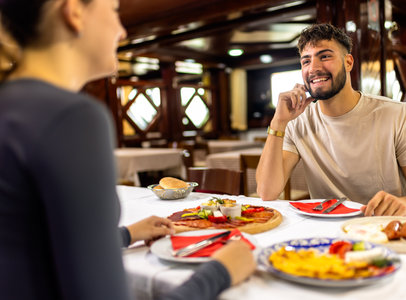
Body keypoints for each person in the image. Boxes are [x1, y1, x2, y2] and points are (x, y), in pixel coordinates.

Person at [0, 0, 255, 299]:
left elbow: (27, 243)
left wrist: (125, 234)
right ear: (74, 12)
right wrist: (219, 272)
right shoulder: (71, 117)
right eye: (114, 11)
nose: (122, 32)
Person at [256, 23, 406, 216]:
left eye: (325, 56)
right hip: (325, 234)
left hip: (383, 226)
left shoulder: (399, 115)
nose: (314, 68)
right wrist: (278, 122)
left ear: (348, 62)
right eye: (306, 61)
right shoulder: (297, 122)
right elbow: (267, 192)